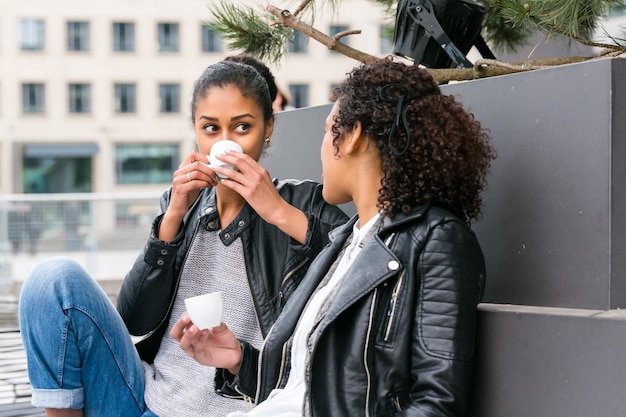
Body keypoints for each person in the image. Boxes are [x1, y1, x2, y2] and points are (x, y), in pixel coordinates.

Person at [18, 60, 348, 417]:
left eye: (242, 127)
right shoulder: (182, 206)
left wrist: (277, 211)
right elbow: (134, 320)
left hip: (239, 408)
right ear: (195, 130)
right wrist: (172, 218)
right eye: (210, 128)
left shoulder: (306, 205)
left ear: (268, 126)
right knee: (51, 279)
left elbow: (351, 278)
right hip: (143, 398)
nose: (225, 143)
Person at [172, 57, 496, 417]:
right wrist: (239, 360)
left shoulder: (436, 240)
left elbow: (438, 405)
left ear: (353, 134)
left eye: (328, 131)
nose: (322, 148)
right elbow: (302, 389)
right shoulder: (346, 241)